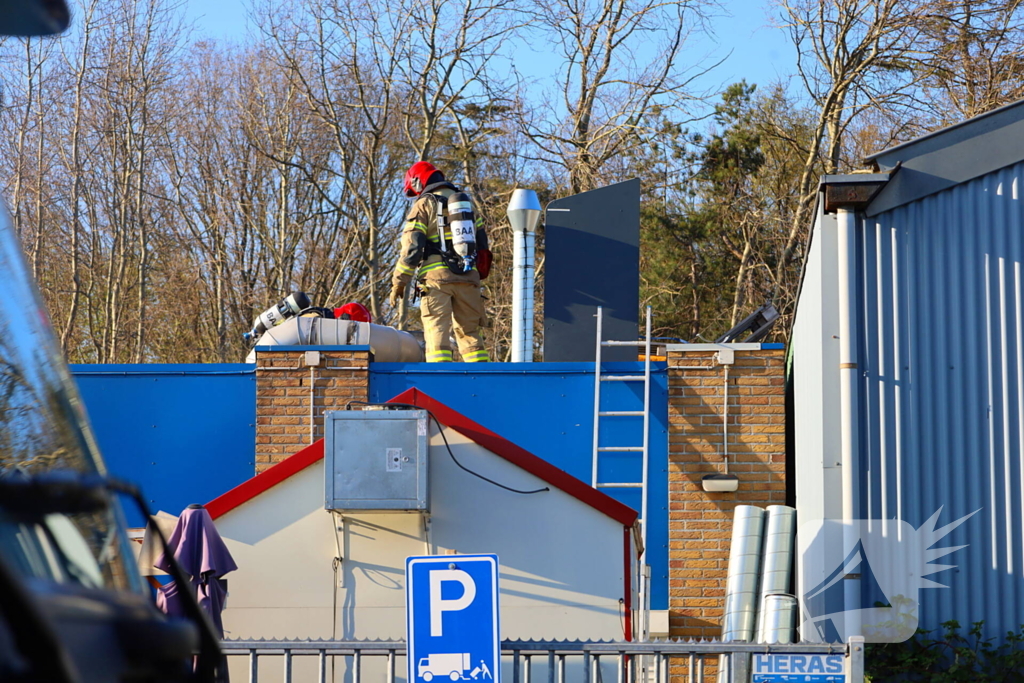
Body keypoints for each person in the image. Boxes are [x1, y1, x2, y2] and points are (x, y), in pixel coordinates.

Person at [389, 161, 491, 362]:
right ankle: (481, 379)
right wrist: (475, 276)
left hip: (436, 281)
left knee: (437, 332)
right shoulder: (467, 205)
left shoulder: (424, 204)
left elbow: (412, 248)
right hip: (469, 279)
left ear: (418, 182)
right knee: (470, 334)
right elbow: (482, 244)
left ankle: (439, 380)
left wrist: (399, 282)